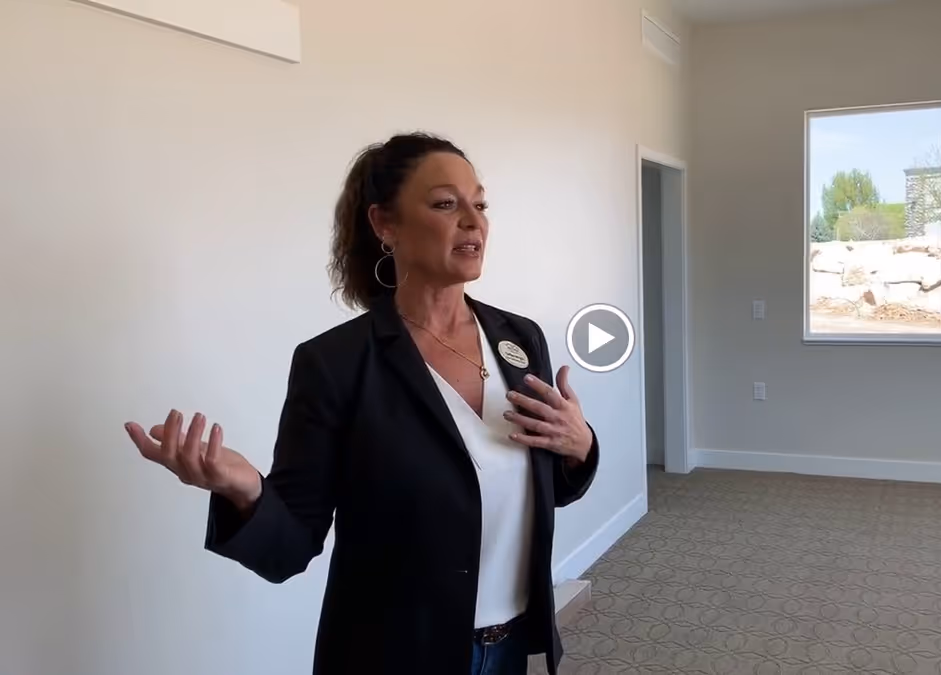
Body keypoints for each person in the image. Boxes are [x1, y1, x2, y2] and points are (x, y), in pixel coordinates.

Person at [124, 133, 600, 675]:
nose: (474, 221)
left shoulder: (521, 338)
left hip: (510, 648)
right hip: (395, 655)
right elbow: (291, 546)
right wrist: (246, 490)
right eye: (446, 203)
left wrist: (579, 447)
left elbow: (542, 489)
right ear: (384, 224)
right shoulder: (336, 364)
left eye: (480, 204)